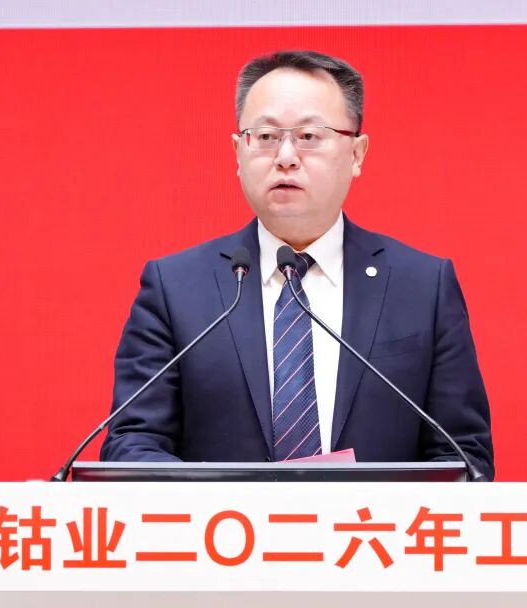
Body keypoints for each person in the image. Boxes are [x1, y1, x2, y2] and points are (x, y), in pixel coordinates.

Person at [100, 50, 494, 479]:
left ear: (357, 153)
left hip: (368, 524)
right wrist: (223, 506)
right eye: (266, 136)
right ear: (238, 152)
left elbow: (463, 458)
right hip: (224, 525)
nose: (285, 156)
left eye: (309, 135)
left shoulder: (422, 287)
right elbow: (132, 445)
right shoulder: (175, 288)